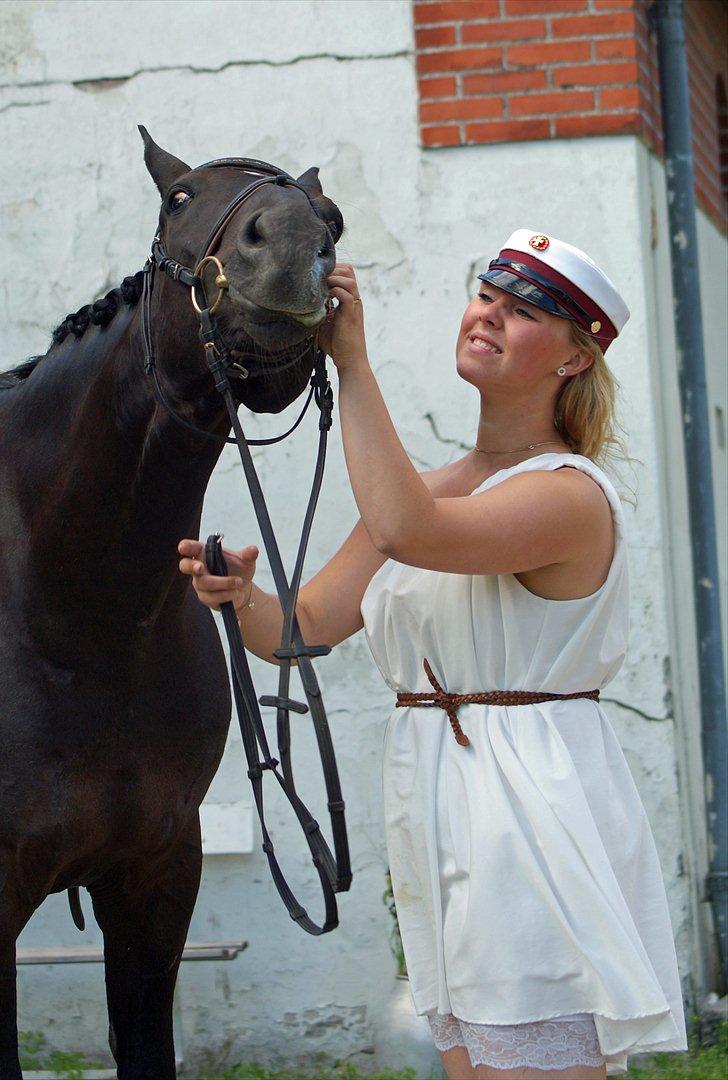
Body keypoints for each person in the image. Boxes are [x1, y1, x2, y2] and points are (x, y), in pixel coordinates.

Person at [178, 230, 688, 1079]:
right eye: (486, 295)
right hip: (441, 802)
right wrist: (242, 597)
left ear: (573, 358)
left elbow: (404, 531)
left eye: (522, 312)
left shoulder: (569, 495)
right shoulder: (441, 484)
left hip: (530, 805)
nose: (488, 315)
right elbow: (301, 629)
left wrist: (354, 364)